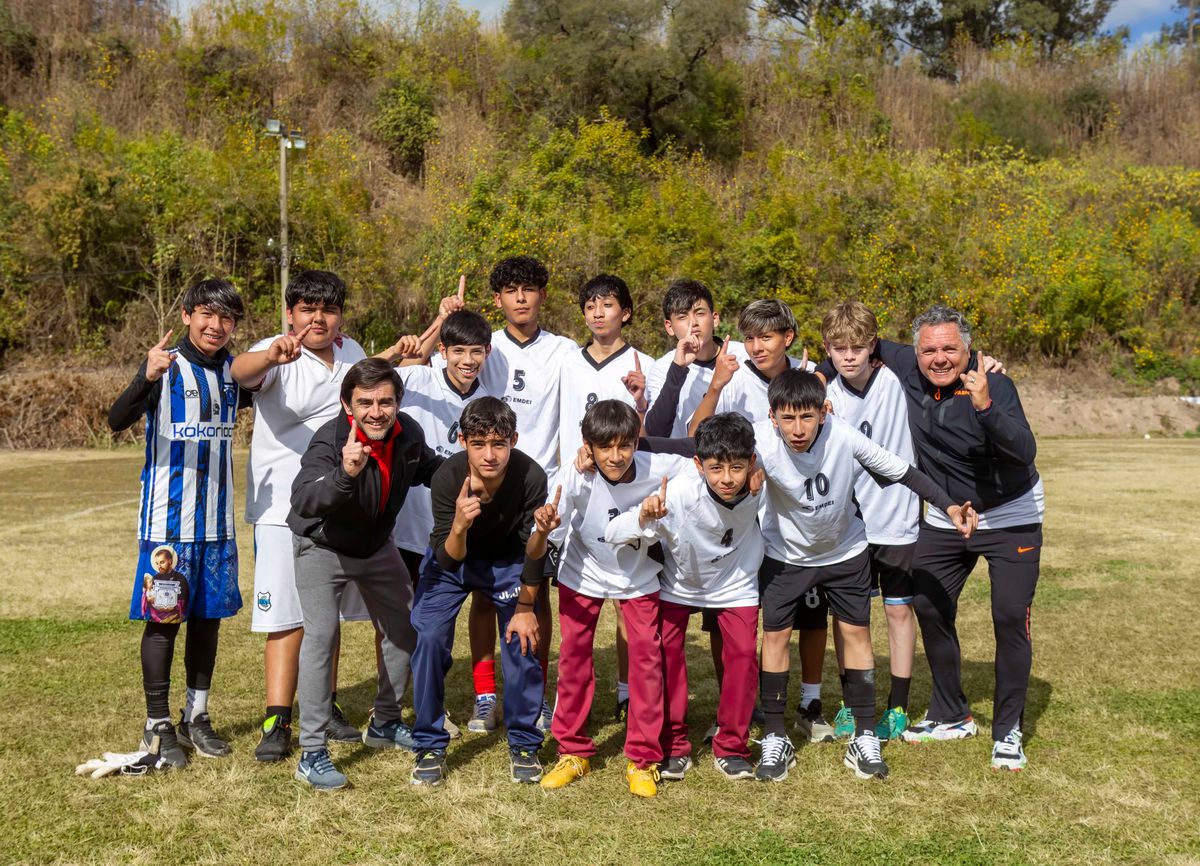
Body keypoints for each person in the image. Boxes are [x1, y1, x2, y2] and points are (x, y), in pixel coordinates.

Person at [752, 369, 976, 782]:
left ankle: (865, 734)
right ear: (772, 417)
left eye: (807, 417)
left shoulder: (843, 434)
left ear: (824, 412)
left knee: (856, 635)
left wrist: (947, 506)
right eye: (788, 419)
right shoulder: (759, 440)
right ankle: (775, 734)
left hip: (846, 551)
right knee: (775, 637)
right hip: (785, 555)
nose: (797, 429)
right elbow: (695, 448)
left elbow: (902, 472)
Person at [871, 305, 1043, 772]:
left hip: (1010, 514)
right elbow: (858, 341)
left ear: (970, 350)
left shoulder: (995, 385)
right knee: (928, 602)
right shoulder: (906, 364)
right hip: (948, 515)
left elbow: (1024, 450)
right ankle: (951, 713)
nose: (939, 358)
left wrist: (985, 405)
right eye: (930, 349)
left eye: (950, 348)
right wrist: (814, 375)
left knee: (1009, 616)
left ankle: (1008, 731)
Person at [107, 278, 249, 767]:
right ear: (187, 315)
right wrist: (143, 376)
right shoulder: (165, 368)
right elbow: (115, 419)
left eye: (227, 318)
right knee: (164, 624)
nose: (217, 325)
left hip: (216, 524)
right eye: (207, 315)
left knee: (207, 621)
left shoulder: (235, 371)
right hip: (168, 526)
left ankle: (197, 715)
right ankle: (157, 724)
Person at [287, 358, 444, 790]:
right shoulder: (330, 440)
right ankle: (312, 751)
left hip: (375, 547)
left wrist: (480, 469)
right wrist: (346, 473)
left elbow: (433, 470)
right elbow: (303, 500)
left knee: (404, 629)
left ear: (398, 402)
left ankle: (386, 724)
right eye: (366, 402)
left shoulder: (407, 432)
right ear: (347, 404)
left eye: (386, 401)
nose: (377, 411)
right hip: (322, 545)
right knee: (322, 637)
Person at [685, 299, 832, 742]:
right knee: (729, 617)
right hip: (742, 522)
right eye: (749, 338)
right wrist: (715, 385)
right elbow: (696, 435)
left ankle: (810, 701)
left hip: (796, 520)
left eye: (765, 337)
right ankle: (738, 704)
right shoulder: (734, 378)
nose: (756, 346)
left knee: (808, 616)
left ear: (788, 337)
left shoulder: (808, 379)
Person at [539, 400, 691, 798]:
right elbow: (554, 524)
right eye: (604, 447)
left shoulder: (661, 466)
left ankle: (643, 759)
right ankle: (572, 751)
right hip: (582, 573)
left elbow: (702, 454)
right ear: (587, 445)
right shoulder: (575, 472)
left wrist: (755, 465)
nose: (616, 456)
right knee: (573, 659)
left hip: (637, 577)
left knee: (645, 662)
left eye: (625, 446)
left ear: (637, 442)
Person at [604, 413, 763, 782]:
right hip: (679, 584)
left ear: (752, 462)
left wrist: (763, 471)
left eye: (737, 468)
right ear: (697, 464)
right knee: (667, 658)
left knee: (741, 656)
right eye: (716, 468)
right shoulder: (676, 494)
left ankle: (732, 745)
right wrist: (643, 518)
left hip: (735, 583)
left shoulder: (759, 479)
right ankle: (674, 743)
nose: (727, 478)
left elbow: (781, 449)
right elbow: (613, 531)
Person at [454, 256, 576, 737]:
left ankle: (536, 693)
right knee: (484, 595)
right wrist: (446, 321)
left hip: (535, 490)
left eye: (529, 289)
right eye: (511, 290)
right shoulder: (484, 348)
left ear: (542, 295)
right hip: (483, 486)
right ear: (497, 299)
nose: (521, 298)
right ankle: (486, 696)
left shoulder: (565, 350)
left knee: (533, 593)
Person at [408, 397, 554, 787]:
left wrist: (526, 604)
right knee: (428, 638)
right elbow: (449, 559)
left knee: (522, 639)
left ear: (514, 440)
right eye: (478, 444)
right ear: (462, 441)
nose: (489, 455)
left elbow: (533, 550)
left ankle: (524, 742)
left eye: (499, 444)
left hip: (509, 561)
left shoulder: (531, 476)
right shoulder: (446, 478)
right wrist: (458, 525)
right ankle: (429, 745)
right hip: (454, 559)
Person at [817, 301, 921, 743]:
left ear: (873, 345)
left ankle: (897, 706)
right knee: (850, 619)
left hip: (897, 520)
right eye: (838, 348)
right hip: (849, 526)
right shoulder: (825, 393)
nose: (849, 356)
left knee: (898, 612)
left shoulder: (899, 381)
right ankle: (849, 704)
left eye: (857, 347)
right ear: (828, 350)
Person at [556, 274, 656, 720]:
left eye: (608, 304)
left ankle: (626, 688)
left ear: (626, 312)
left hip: (628, 495)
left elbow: (654, 439)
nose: (598, 312)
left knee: (627, 592)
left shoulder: (644, 364)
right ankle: (565, 704)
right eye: (590, 305)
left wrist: (641, 404)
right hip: (580, 490)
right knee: (577, 604)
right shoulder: (566, 361)